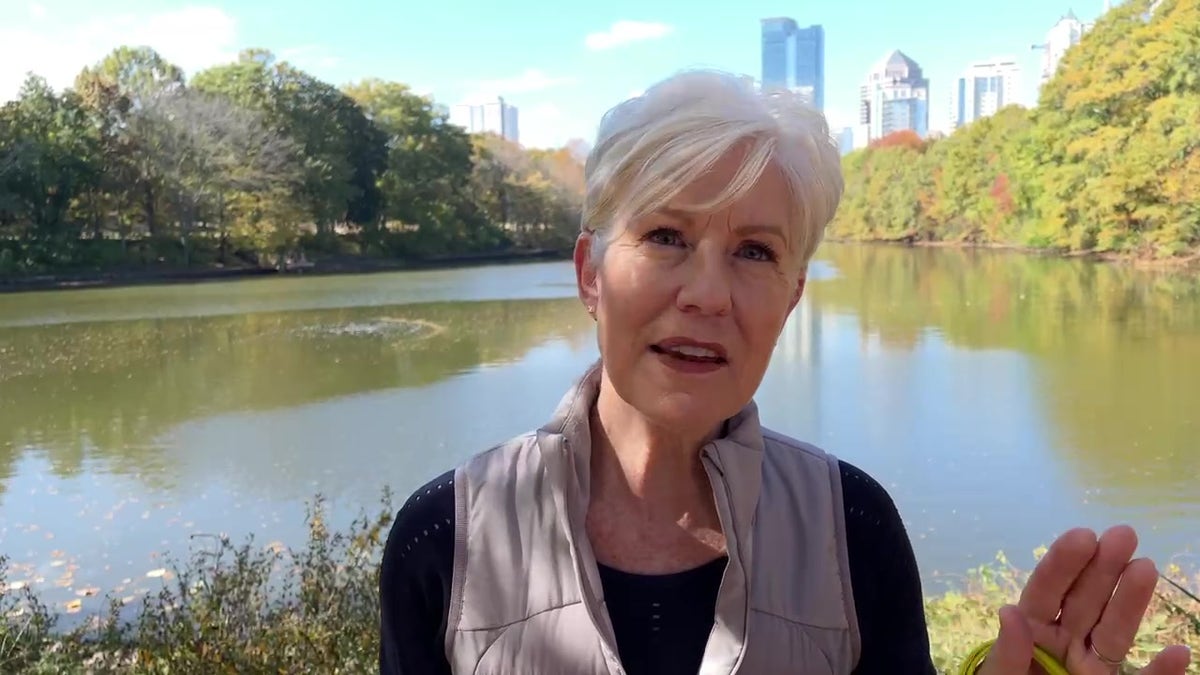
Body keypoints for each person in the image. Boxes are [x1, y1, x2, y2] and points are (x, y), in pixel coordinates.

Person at [378, 69, 1192, 674]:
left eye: (755, 252)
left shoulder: (854, 529)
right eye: (665, 235)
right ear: (591, 272)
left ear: (794, 293)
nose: (707, 294)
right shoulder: (447, 537)